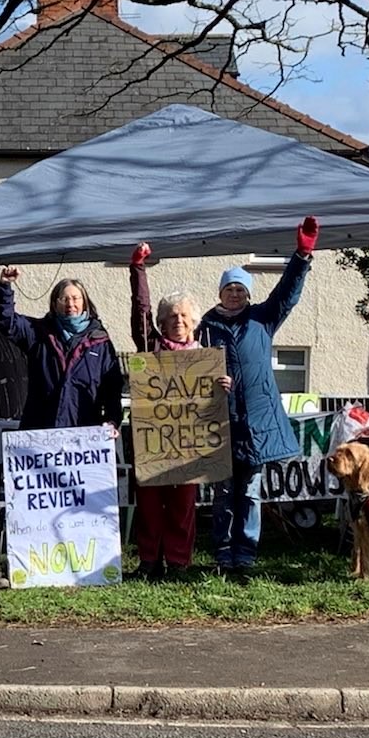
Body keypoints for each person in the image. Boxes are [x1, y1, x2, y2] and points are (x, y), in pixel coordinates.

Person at [197, 216, 319, 581]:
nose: (235, 294)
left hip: (258, 425)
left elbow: (288, 293)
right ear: (220, 293)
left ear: (248, 294)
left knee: (250, 494)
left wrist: (302, 256)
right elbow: (186, 371)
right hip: (221, 424)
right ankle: (223, 555)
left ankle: (245, 558)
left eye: (241, 290)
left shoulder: (262, 319)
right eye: (229, 289)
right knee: (223, 494)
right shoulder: (204, 327)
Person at [126, 244, 203, 580]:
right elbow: (140, 312)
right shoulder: (150, 349)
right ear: (161, 323)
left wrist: (221, 386)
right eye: (171, 317)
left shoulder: (205, 358)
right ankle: (149, 560)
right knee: (150, 504)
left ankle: (179, 562)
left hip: (188, 443)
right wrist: (138, 270)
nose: (178, 322)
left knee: (183, 506)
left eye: (184, 316)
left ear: (194, 322)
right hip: (153, 440)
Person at [0, 267, 123, 431]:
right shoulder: (38, 333)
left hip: (84, 434)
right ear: (54, 304)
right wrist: (5, 286)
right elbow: (5, 321)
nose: (71, 304)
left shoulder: (100, 342)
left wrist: (112, 421)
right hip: (42, 432)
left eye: (76, 298)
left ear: (84, 303)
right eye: (64, 299)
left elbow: (112, 390)